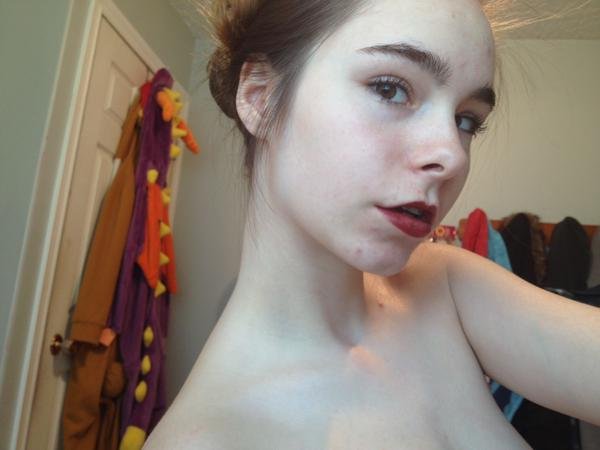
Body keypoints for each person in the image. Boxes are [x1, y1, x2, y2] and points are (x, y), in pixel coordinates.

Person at [145, 0, 600, 448]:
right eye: (390, 89)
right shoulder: (207, 439)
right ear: (259, 97)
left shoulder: (445, 285)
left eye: (466, 120)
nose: (452, 156)